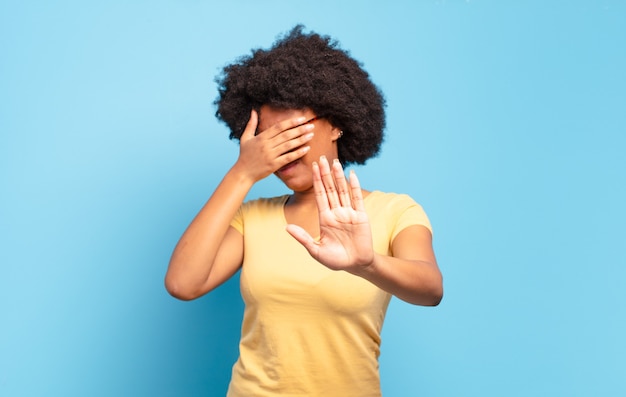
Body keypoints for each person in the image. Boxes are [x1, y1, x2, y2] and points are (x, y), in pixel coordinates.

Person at [165, 25, 443, 397]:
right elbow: (183, 283)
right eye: (266, 138)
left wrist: (366, 264)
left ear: (337, 125)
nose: (280, 149)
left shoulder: (395, 210)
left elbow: (431, 289)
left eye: (294, 132)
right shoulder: (252, 218)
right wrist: (242, 172)